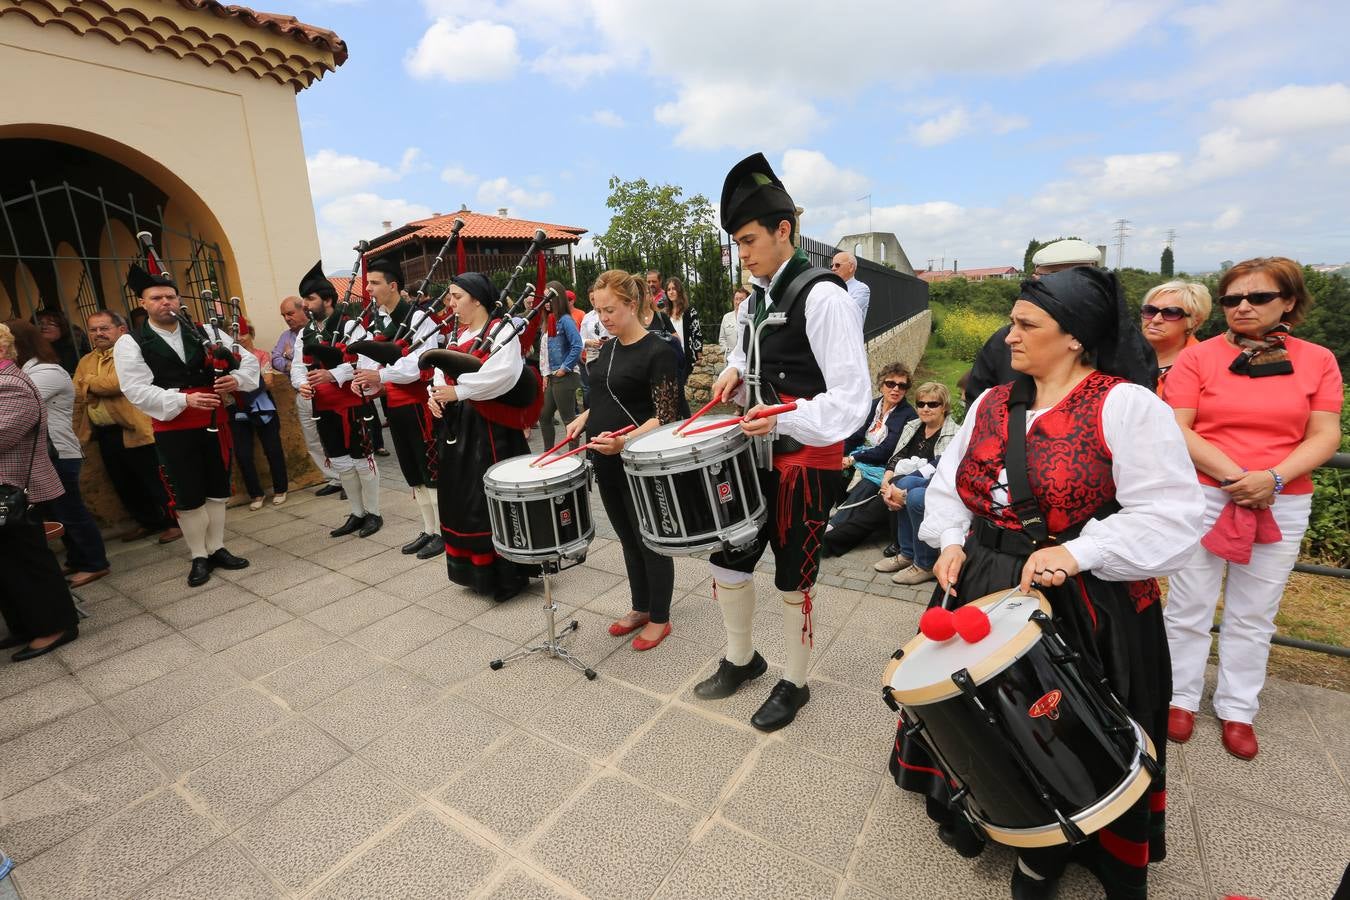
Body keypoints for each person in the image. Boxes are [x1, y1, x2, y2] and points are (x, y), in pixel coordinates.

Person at [893, 266, 1202, 900]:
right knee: (996, 723)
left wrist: (1083, 552)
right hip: (985, 580)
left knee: (1073, 730)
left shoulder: (1126, 405)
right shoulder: (989, 403)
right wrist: (952, 541)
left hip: (1084, 598)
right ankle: (1023, 832)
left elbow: (1174, 513)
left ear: (1074, 337)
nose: (1009, 336)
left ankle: (1079, 842)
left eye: (1026, 324)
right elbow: (954, 488)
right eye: (1012, 321)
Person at [696, 153, 870, 731]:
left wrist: (785, 418)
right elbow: (757, 357)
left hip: (804, 464)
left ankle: (795, 683)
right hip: (756, 457)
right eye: (736, 244)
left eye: (748, 241)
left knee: (795, 576)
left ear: (784, 231)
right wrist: (736, 374)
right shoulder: (757, 298)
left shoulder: (824, 298)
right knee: (729, 558)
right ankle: (742, 658)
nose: (742, 255)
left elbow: (852, 401)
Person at [1162, 257, 1343, 761]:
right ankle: (1179, 696)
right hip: (1205, 492)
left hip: (1282, 498)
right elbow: (1178, 426)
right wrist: (1235, 477)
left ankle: (1238, 707)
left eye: (1258, 297)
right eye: (1232, 299)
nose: (1242, 306)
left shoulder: (1318, 360)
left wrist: (1273, 478)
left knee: (1256, 611)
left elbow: (1325, 433)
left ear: (1288, 302)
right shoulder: (1198, 360)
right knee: (1189, 601)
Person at [115, 263, 257, 587]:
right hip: (173, 427)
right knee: (187, 492)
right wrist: (184, 400)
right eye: (156, 298)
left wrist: (235, 379)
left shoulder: (207, 332)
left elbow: (246, 361)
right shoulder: (132, 342)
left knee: (217, 488)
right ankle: (198, 555)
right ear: (143, 303)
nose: (165, 302)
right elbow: (135, 389)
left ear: (179, 300)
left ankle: (217, 547)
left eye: (170, 296)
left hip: (215, 420)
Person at [563, 270, 681, 649]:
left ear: (633, 305)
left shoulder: (658, 350)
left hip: (640, 463)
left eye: (610, 309)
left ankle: (660, 618)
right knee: (627, 538)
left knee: (650, 539)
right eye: (598, 310)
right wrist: (582, 419)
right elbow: (600, 396)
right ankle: (640, 606)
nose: (603, 318)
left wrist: (626, 439)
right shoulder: (608, 348)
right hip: (606, 459)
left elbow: (667, 415)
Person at [428, 272, 534, 601]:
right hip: (459, 427)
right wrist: (434, 396)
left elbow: (502, 376)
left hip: (492, 430)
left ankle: (506, 577)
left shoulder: (502, 330)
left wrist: (456, 392)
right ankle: (475, 573)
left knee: (489, 501)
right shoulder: (457, 336)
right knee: (463, 499)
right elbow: (439, 373)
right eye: (450, 296)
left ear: (476, 299)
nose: (450, 303)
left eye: (456, 296)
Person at [352, 257, 445, 558]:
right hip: (395, 406)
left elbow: (418, 364)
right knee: (412, 471)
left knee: (429, 469)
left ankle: (443, 531)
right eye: (368, 283)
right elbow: (370, 361)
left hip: (420, 407)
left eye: (375, 283)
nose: (369, 289)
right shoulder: (378, 319)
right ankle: (428, 528)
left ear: (393, 286)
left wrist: (380, 375)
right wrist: (365, 381)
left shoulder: (420, 319)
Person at [0, 322, 81, 661]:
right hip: (7, 488)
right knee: (7, 565)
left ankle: (55, 625)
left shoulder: (11, 385)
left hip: (16, 488)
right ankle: (26, 625)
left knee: (27, 561)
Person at [10, 320, 111, 588]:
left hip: (60, 452)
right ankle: (78, 559)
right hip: (42, 455)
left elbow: (15, 406)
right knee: (56, 512)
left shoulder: (46, 372)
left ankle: (95, 563)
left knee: (70, 510)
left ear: (18, 343)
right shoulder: (23, 372)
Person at [74, 311, 180, 544]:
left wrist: (87, 382)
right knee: (124, 481)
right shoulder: (87, 360)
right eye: (93, 330)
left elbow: (117, 383)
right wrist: (88, 385)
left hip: (135, 427)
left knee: (153, 478)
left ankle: (175, 522)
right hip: (105, 431)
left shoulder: (132, 351)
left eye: (104, 328)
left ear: (121, 329)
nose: (98, 334)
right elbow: (77, 389)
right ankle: (149, 522)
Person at [293, 262, 382, 538]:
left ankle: (374, 513)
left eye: (310, 299)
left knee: (361, 459)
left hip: (352, 403)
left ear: (327, 300)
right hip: (323, 407)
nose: (306, 305)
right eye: (304, 300)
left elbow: (365, 360)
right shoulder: (304, 333)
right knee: (341, 462)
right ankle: (356, 513)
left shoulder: (350, 325)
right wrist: (302, 385)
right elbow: (297, 366)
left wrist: (332, 375)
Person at [964, 238, 1103, 405]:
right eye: (1051, 277)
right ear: (1035, 279)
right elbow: (978, 403)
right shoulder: (1002, 343)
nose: (1065, 286)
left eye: (1077, 278)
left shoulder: (1120, 347)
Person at [820, 364, 917, 557]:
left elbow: (888, 449)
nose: (895, 389)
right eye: (890, 383)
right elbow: (855, 434)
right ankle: (831, 510)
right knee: (833, 469)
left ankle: (835, 525)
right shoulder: (873, 405)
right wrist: (841, 456)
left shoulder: (908, 415)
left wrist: (854, 458)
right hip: (860, 454)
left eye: (902, 386)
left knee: (867, 483)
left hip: (884, 463)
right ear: (881, 385)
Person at [874, 381, 960, 584]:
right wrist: (886, 481)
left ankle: (923, 563)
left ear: (944, 406)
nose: (925, 408)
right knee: (899, 484)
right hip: (909, 477)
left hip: (942, 485)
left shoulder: (955, 433)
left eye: (933, 404)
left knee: (911, 494)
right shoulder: (913, 425)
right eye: (921, 404)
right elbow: (897, 455)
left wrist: (899, 489)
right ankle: (907, 553)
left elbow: (941, 470)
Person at [274, 295, 341, 496]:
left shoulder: (323, 329)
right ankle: (334, 478)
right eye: (283, 315)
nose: (287, 318)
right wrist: (294, 370)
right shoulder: (285, 337)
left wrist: (288, 356)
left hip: (328, 392)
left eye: (290, 313)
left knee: (335, 437)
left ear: (303, 310)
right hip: (303, 392)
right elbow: (276, 359)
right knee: (312, 440)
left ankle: (348, 479)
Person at [231, 319, 288, 510]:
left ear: (251, 334)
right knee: (243, 454)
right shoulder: (227, 358)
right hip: (236, 409)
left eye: (243, 333)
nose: (239, 338)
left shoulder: (262, 355)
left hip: (262, 405)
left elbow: (269, 381)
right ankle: (255, 493)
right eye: (234, 334)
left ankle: (281, 488)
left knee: (272, 448)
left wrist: (239, 386)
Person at [1139, 280, 1211, 393]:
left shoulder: (1205, 365)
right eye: (1150, 310)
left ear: (1194, 322)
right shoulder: (1121, 356)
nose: (1155, 319)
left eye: (1170, 313)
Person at [538, 281, 583, 451]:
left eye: (549, 297)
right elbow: (545, 351)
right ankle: (548, 453)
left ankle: (574, 457)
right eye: (544, 297)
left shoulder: (564, 320)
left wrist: (564, 368)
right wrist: (545, 374)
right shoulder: (549, 320)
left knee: (569, 420)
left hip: (564, 376)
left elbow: (577, 345)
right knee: (544, 415)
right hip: (552, 376)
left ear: (558, 298)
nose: (546, 301)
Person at [665, 276, 703, 418]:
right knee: (677, 390)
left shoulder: (689, 310)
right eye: (668, 289)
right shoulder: (665, 313)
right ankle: (681, 417)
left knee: (679, 388)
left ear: (679, 291)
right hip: (669, 355)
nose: (671, 292)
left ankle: (685, 418)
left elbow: (696, 331)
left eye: (674, 289)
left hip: (685, 355)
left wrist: (698, 352)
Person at [578, 289, 612, 407]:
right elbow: (580, 339)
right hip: (594, 356)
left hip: (611, 352)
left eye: (596, 298)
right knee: (596, 386)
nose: (594, 301)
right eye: (592, 299)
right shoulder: (587, 317)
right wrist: (589, 342)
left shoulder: (611, 313)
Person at [36, 308, 90, 375]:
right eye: (39, 323)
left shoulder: (74, 351)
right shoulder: (36, 349)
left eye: (51, 323)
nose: (44, 327)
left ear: (62, 327)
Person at [831, 251, 870, 324]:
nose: (833, 268)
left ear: (851, 267)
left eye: (837, 265)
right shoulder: (830, 287)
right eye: (832, 266)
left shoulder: (861, 289)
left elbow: (846, 313)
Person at [719, 287, 749, 354]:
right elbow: (722, 338)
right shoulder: (726, 317)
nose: (738, 302)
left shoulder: (751, 318)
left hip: (747, 357)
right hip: (730, 358)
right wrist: (726, 349)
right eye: (736, 299)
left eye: (741, 299)